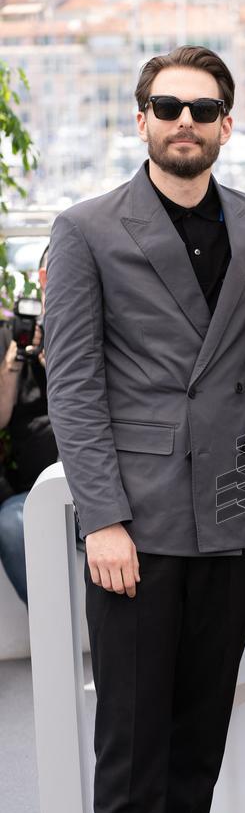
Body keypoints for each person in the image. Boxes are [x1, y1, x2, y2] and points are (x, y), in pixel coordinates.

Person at [45, 46, 245, 813]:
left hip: (234, 508)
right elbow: (72, 385)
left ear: (228, 122)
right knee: (133, 726)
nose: (186, 121)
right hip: (135, 522)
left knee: (203, 716)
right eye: (168, 105)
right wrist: (100, 517)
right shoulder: (86, 227)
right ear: (140, 118)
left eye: (204, 107)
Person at [0, 245, 57, 604]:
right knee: (11, 521)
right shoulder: (10, 337)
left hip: (101, 484)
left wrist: (58, 360)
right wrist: (14, 362)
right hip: (35, 494)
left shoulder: (97, 330)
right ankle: (47, 616)